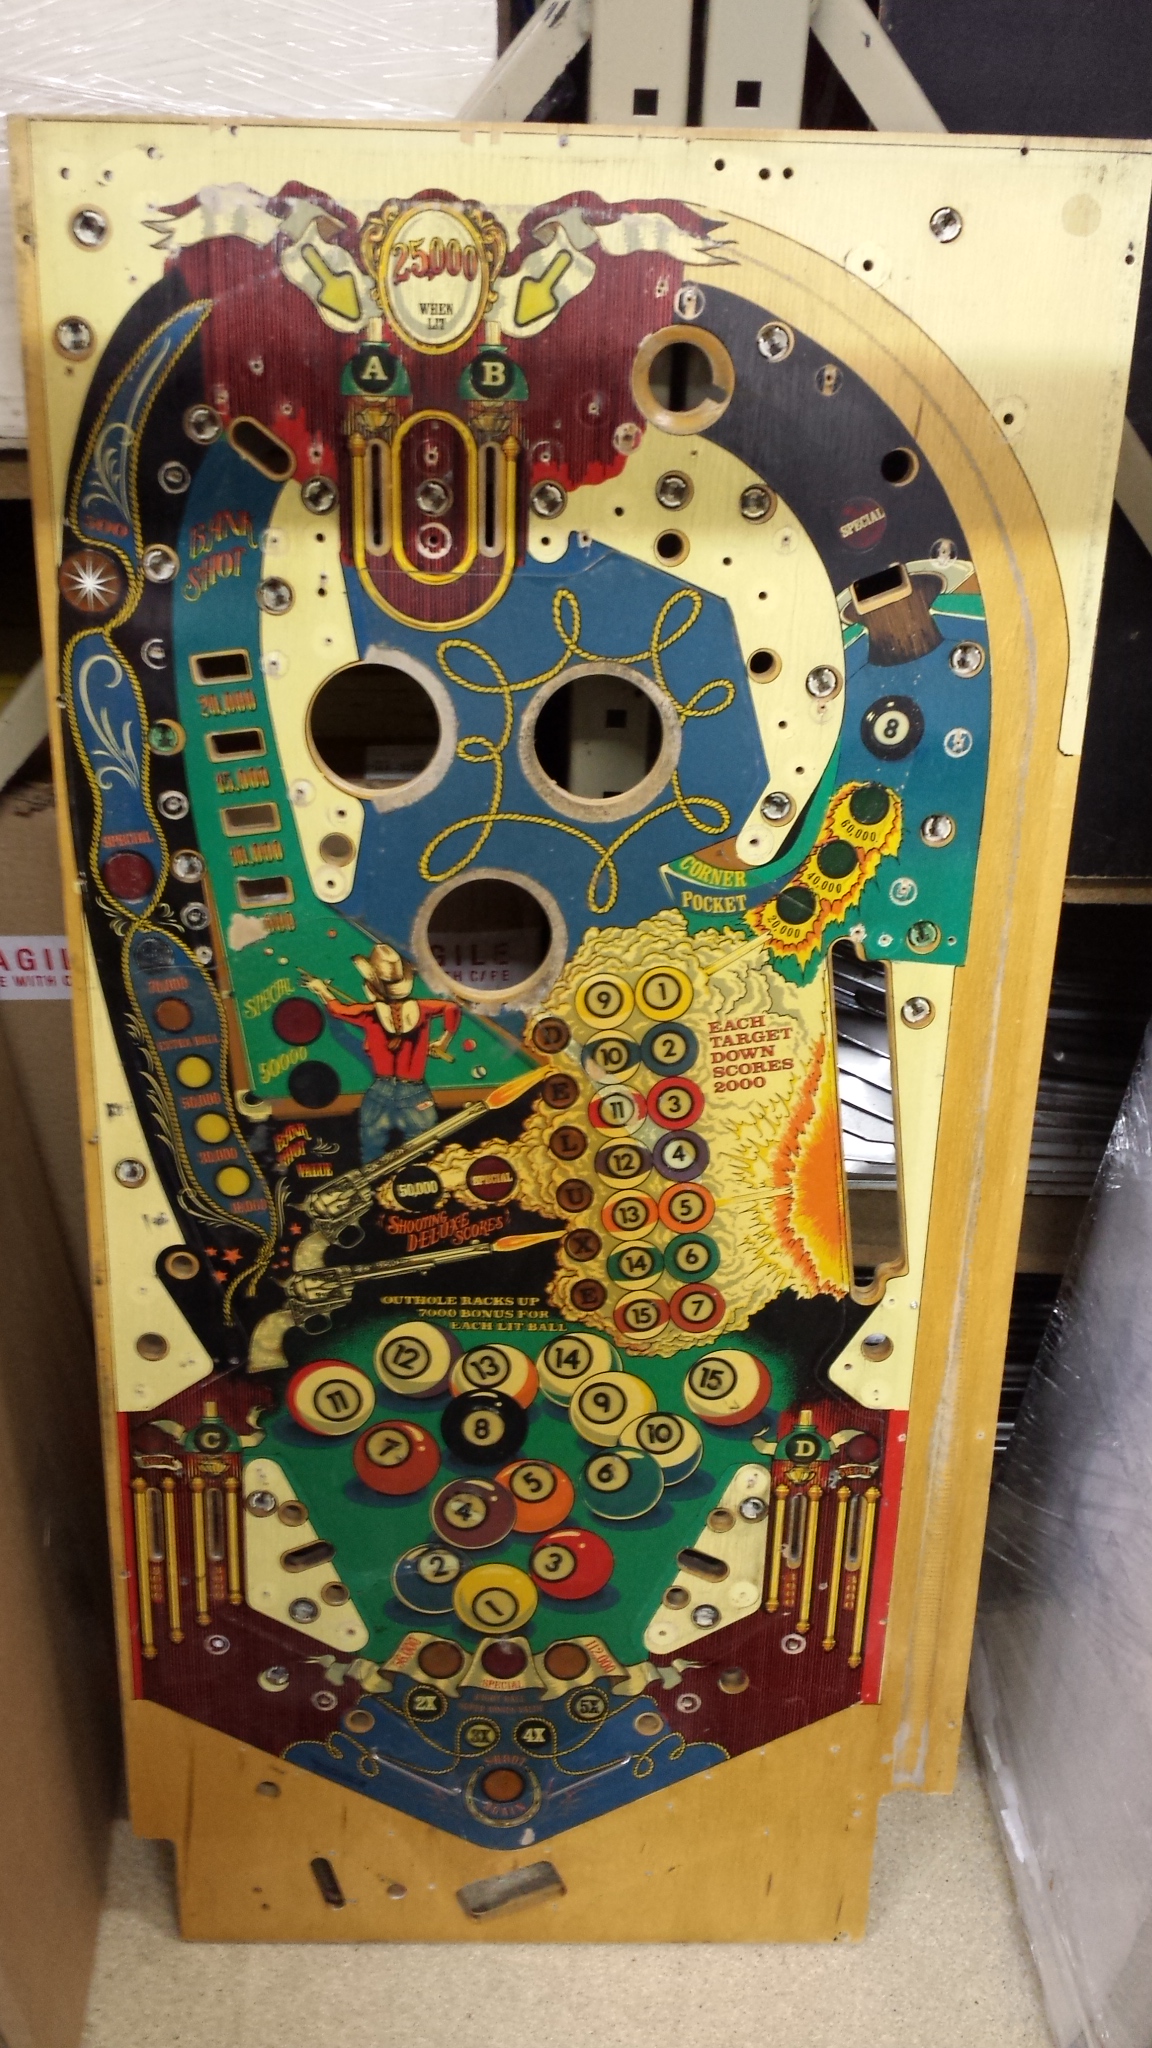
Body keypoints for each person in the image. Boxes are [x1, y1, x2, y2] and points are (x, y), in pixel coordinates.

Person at [301, 943, 460, 1161]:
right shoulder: (423, 1008)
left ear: (371, 985)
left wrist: (321, 989)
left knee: (372, 1153)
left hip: (380, 1091)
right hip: (415, 1092)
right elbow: (452, 1007)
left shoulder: (369, 1012)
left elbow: (337, 1010)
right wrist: (443, 1041)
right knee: (423, 1151)